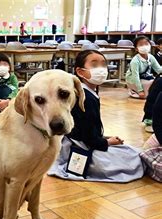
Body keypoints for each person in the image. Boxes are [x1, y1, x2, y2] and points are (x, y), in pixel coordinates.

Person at [48, 50, 144, 183]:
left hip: (79, 140)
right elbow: (88, 137)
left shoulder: (84, 92)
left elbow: (88, 127)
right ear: (80, 72)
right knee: (131, 159)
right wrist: (107, 142)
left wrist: (104, 138)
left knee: (130, 151)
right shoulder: (86, 97)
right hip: (79, 146)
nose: (101, 69)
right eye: (94, 65)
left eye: (103, 65)